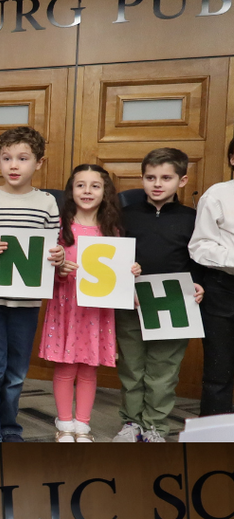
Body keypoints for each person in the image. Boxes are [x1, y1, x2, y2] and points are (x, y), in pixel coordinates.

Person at [0, 127, 62, 443]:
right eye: (6, 158)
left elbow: (55, 250)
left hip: (27, 302)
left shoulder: (48, 203)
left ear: (38, 163)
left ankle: (9, 427)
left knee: (16, 372)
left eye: (23, 159)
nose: (14, 165)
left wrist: (58, 256)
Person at [39, 165, 138, 442]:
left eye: (95, 186)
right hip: (66, 307)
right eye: (80, 185)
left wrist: (130, 272)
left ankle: (83, 426)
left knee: (87, 368)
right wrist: (58, 270)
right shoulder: (60, 227)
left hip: (96, 311)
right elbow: (47, 270)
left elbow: (117, 273)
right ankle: (64, 426)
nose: (87, 191)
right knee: (65, 367)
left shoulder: (113, 230)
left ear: (105, 191)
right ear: (71, 190)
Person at [113, 148, 205, 442]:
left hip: (174, 302)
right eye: (150, 177)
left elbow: (200, 260)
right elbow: (113, 257)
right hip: (132, 300)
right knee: (131, 366)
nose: (157, 183)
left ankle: (154, 426)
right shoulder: (125, 215)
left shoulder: (192, 219)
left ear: (182, 180)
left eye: (166, 177)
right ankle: (131, 423)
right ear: (142, 178)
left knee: (163, 370)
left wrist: (201, 285)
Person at [189, 135, 234, 418]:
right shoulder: (217, 195)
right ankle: (212, 440)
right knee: (219, 372)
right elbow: (200, 245)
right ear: (233, 159)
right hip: (223, 289)